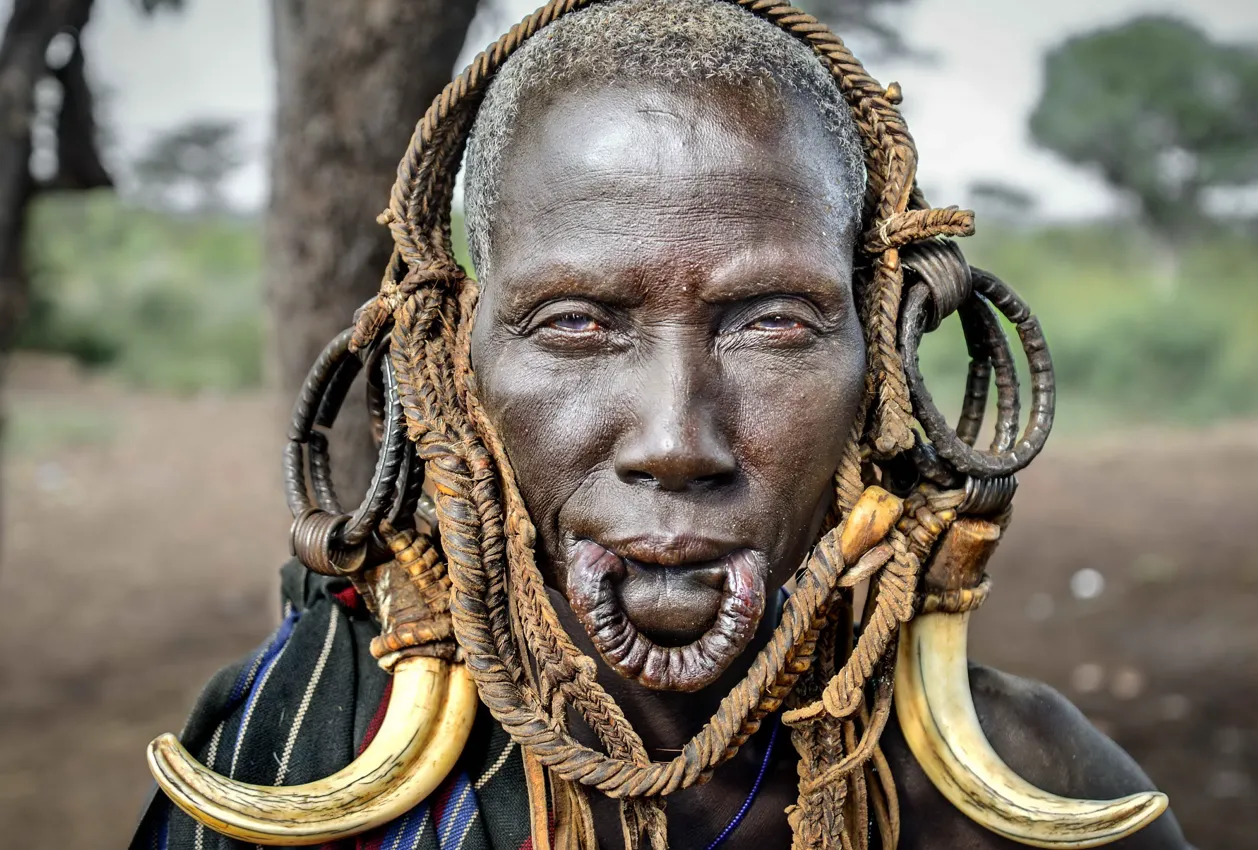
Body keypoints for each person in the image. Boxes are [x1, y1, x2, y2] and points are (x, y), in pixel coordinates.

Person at [132, 2, 1193, 849]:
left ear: (886, 351)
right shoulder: (295, 747)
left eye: (774, 323)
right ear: (453, 364)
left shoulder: (1031, 793)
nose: (677, 440)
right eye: (577, 324)